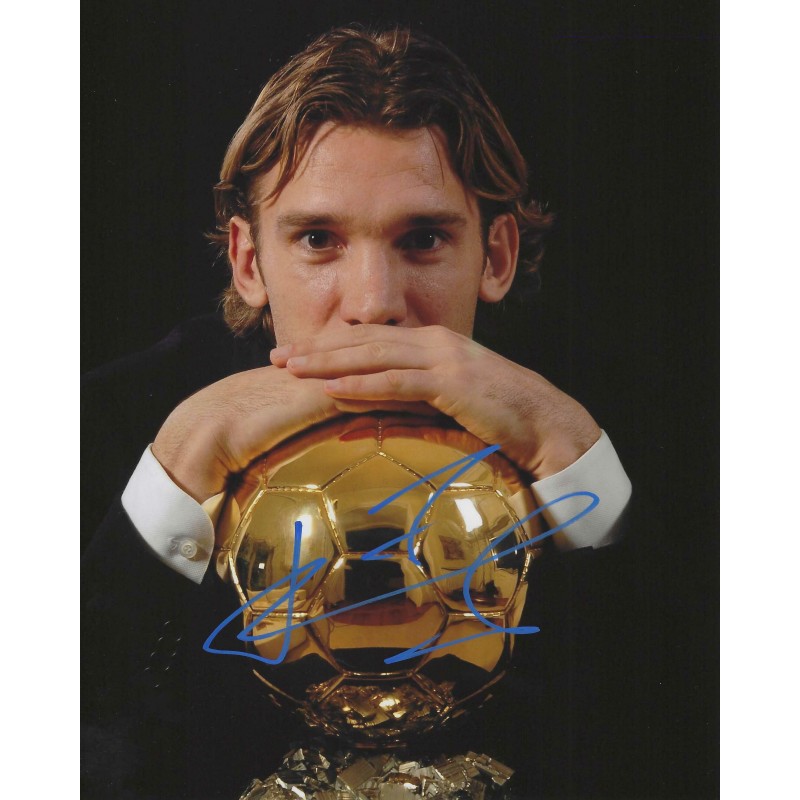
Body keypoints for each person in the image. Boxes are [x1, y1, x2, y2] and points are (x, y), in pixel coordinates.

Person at [82, 25, 632, 800]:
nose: (374, 304)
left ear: (497, 256)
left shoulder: (634, 417)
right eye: (318, 238)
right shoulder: (95, 426)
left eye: (424, 239)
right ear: (249, 262)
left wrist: (577, 462)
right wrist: (175, 473)